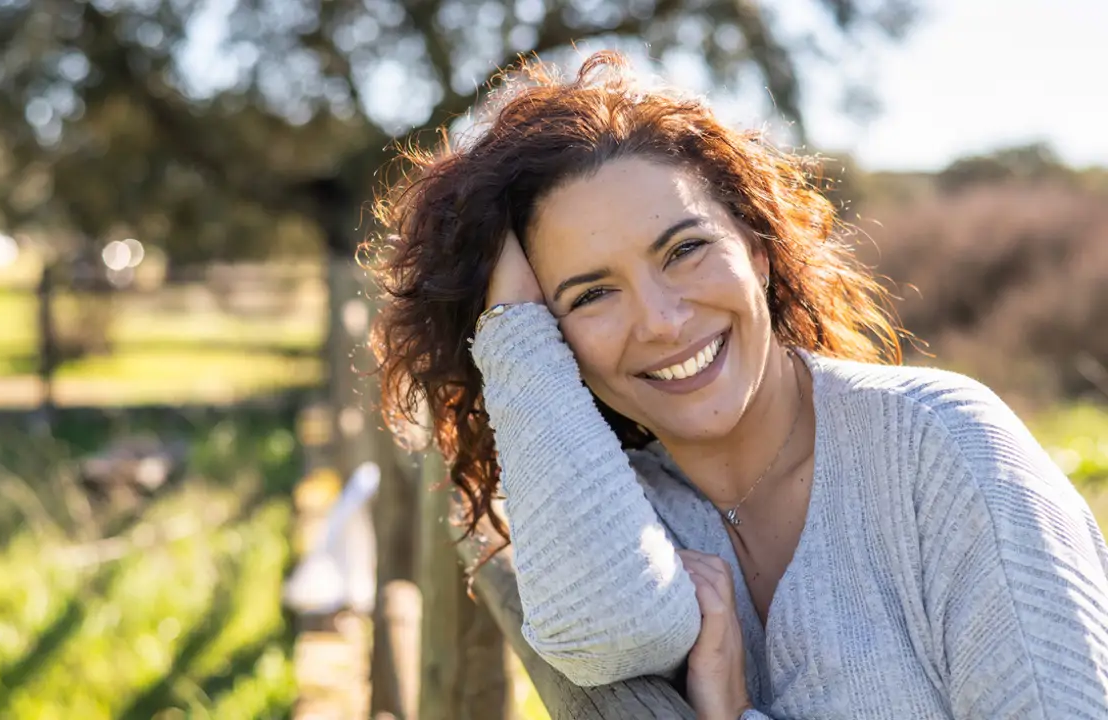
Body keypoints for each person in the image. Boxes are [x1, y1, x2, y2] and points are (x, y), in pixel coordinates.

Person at [362, 51, 1108, 719]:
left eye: (685, 249)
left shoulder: (942, 452)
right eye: (589, 295)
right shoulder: (626, 516)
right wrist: (512, 329)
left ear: (756, 249)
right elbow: (608, 635)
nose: (661, 321)